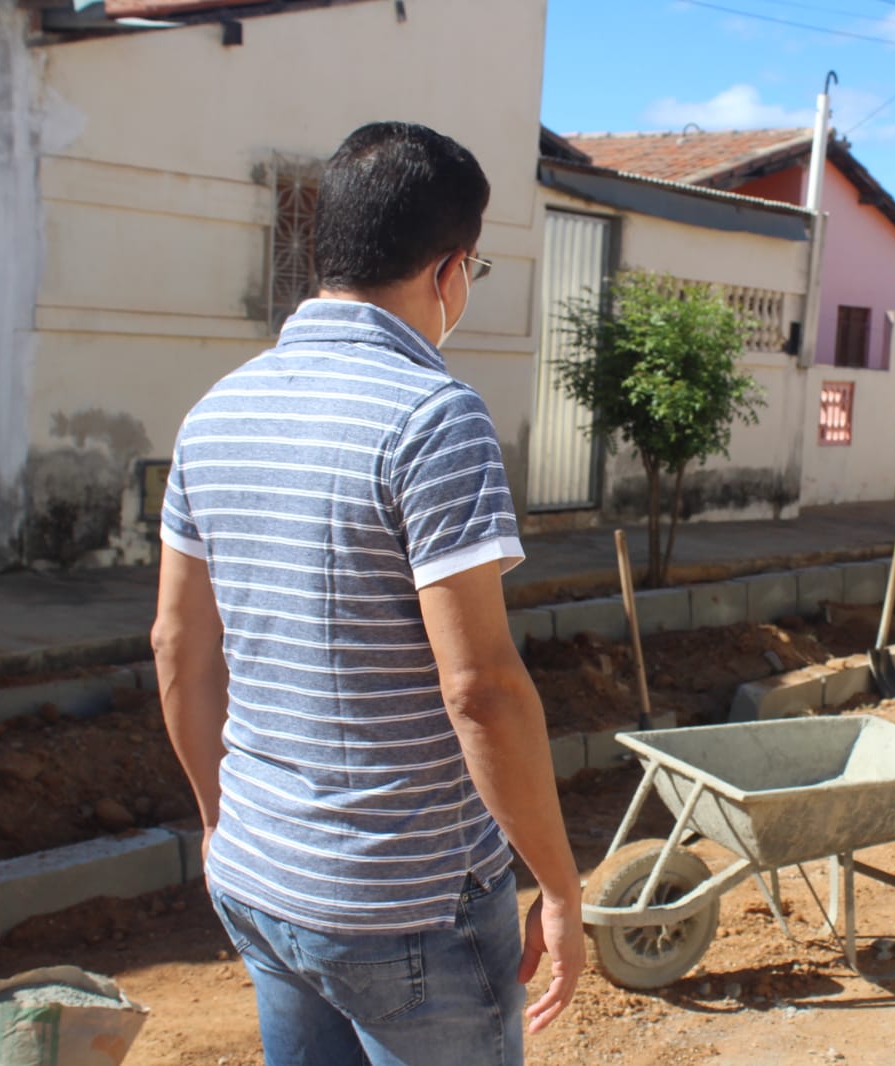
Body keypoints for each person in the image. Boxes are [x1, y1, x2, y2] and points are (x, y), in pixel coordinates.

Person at [151, 121, 583, 1066]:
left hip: (260, 875)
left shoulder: (215, 411)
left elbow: (176, 645)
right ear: (450, 270)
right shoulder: (433, 416)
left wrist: (224, 825)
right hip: (406, 902)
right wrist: (558, 883)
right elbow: (482, 690)